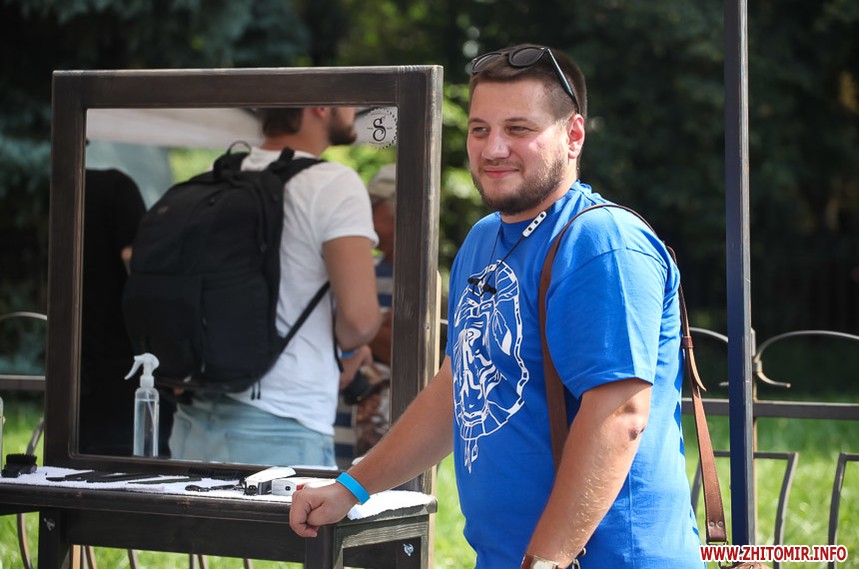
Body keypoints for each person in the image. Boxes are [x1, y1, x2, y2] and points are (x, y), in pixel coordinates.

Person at [290, 44, 702, 568]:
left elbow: (619, 415)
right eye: (480, 129)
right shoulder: (483, 239)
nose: (494, 148)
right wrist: (352, 487)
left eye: (518, 129)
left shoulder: (602, 242)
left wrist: (544, 561)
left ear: (573, 136)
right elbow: (456, 388)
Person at [168, 106, 381, 468]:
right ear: (320, 107)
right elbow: (360, 322)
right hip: (282, 424)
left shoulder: (218, 176)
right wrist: (350, 351)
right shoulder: (333, 183)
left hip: (193, 417)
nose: (354, 110)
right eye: (348, 100)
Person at [79, 167, 151, 455]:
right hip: (120, 369)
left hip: (77, 370)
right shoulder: (113, 187)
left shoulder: (60, 192)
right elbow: (139, 264)